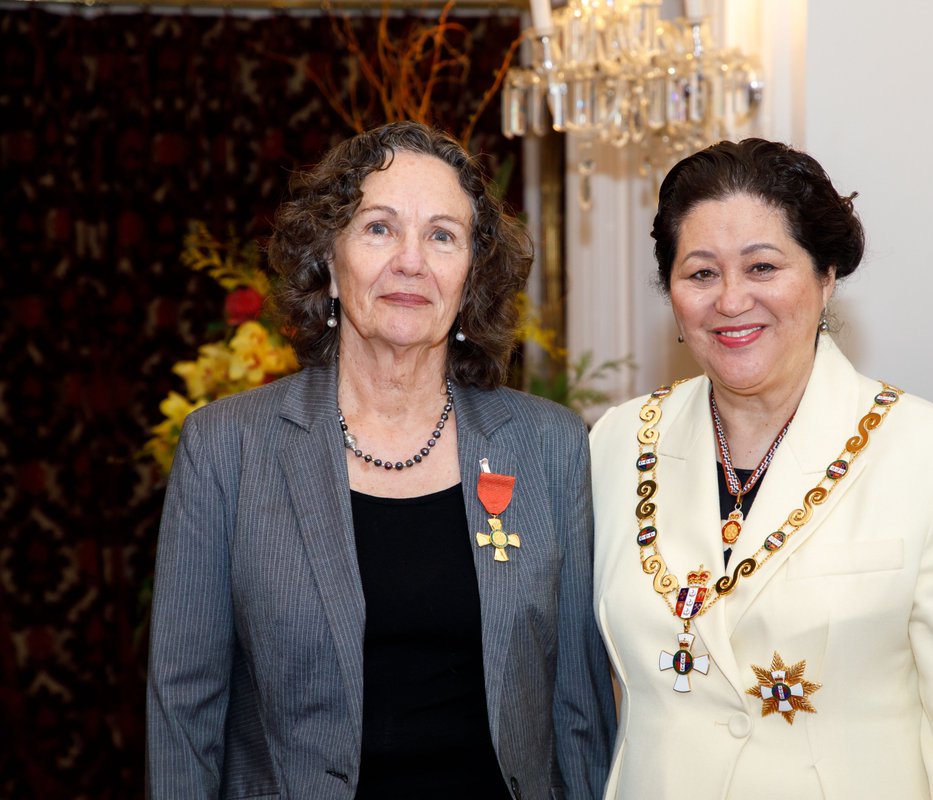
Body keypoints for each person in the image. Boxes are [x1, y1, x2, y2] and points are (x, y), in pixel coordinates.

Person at [146, 121, 616, 799]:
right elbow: (183, 714)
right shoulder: (228, 448)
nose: (411, 261)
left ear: (470, 277)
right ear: (329, 264)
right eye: (378, 228)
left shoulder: (549, 447)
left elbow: (578, 710)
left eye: (442, 236)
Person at [589, 139, 933, 798]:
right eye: (700, 273)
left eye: (763, 267)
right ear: (671, 293)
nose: (730, 300)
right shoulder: (618, 442)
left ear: (826, 276)